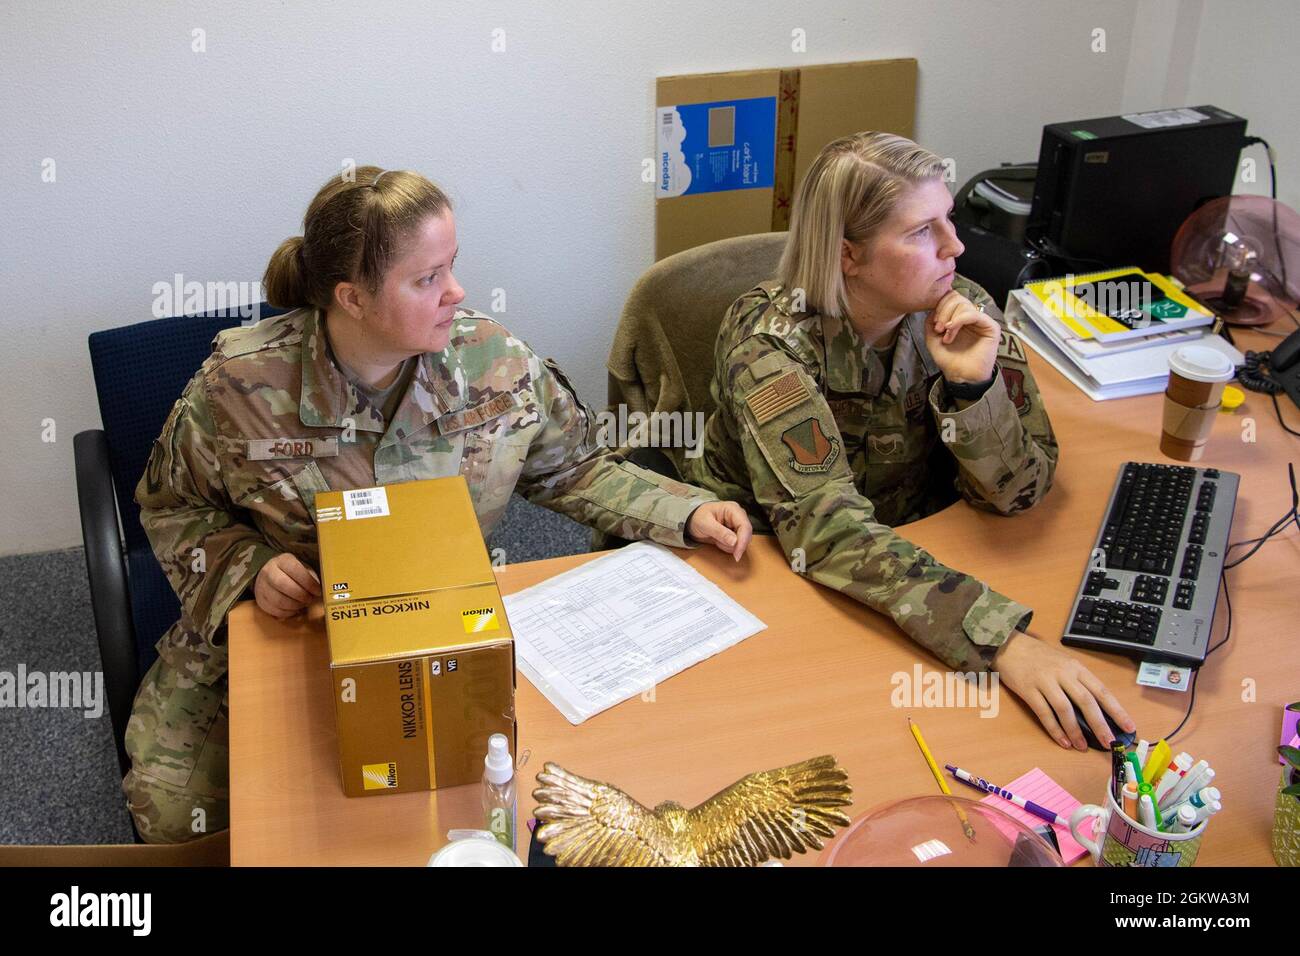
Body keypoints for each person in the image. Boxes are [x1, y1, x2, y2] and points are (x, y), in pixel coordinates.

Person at [123, 166, 753, 843]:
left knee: (516, 793)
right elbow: (173, 505)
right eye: (428, 279)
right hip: (294, 632)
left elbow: (576, 468)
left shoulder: (492, 362)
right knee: (178, 816)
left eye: (452, 266)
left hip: (451, 631)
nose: (457, 292)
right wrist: (248, 570)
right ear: (352, 298)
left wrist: (681, 512)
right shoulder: (239, 389)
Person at [681, 132, 1135, 751]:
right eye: (923, 232)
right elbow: (826, 532)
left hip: (909, 549)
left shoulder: (963, 309)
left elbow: (1022, 492)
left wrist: (974, 389)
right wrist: (999, 638)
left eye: (949, 219)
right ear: (848, 255)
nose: (957, 245)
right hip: (762, 563)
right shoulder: (770, 348)